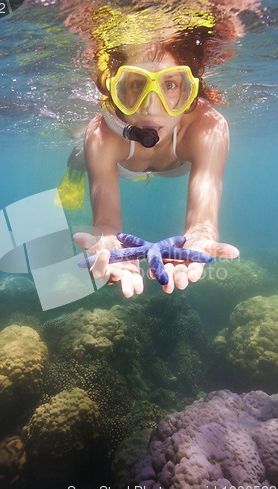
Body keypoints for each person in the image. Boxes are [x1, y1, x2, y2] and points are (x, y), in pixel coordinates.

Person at [69, 7, 241, 298]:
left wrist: (202, 237)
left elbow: (203, 223)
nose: (151, 107)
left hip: (131, 158)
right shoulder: (103, 136)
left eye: (170, 85)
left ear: (190, 92)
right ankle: (76, 162)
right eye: (136, 84)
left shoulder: (208, 129)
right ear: (116, 90)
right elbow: (107, 226)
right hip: (113, 156)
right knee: (82, 157)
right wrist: (107, 243)